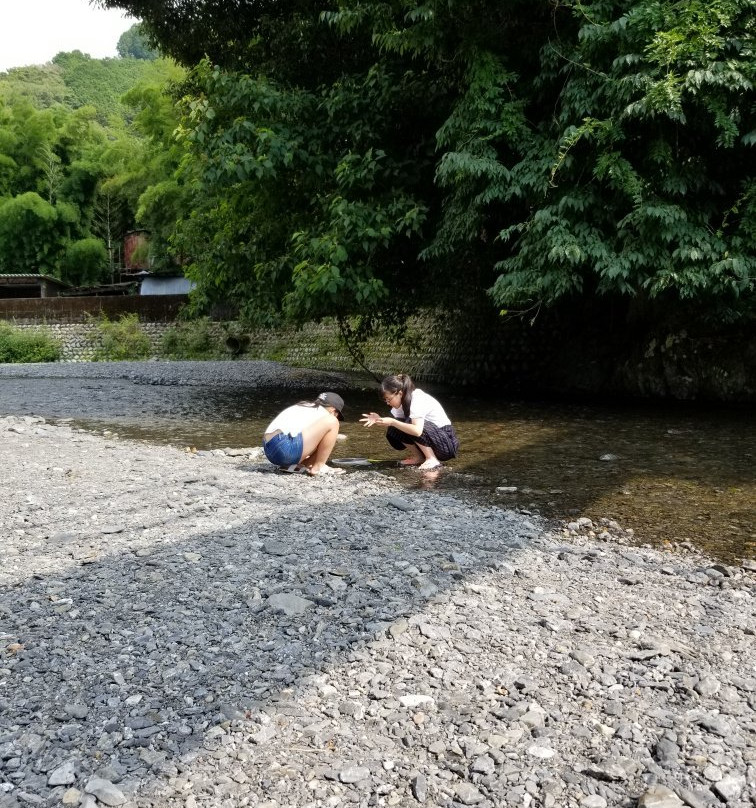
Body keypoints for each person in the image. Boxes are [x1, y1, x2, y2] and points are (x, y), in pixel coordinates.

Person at [360, 374, 459, 469]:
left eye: (389, 399)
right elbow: (398, 426)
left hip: (446, 444)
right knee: (395, 427)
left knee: (404, 422)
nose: (388, 403)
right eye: (385, 400)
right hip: (433, 440)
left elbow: (417, 431)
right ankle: (419, 457)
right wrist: (379, 419)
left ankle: (432, 458)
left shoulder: (417, 398)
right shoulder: (400, 404)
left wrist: (393, 422)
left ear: (399, 393)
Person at [263, 392, 346, 476]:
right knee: (333, 422)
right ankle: (318, 467)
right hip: (285, 448)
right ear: (333, 410)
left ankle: (294, 465)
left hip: (269, 450)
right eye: (337, 415)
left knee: (322, 439)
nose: (336, 417)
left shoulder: (304, 406)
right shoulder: (325, 414)